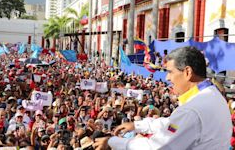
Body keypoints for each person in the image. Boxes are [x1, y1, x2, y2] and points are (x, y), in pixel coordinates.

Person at [96, 46, 232, 149]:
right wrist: (137, 125)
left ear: (187, 72)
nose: (167, 78)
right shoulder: (212, 95)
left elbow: (155, 147)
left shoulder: (192, 110)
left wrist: (111, 142)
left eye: (170, 72)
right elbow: (172, 124)